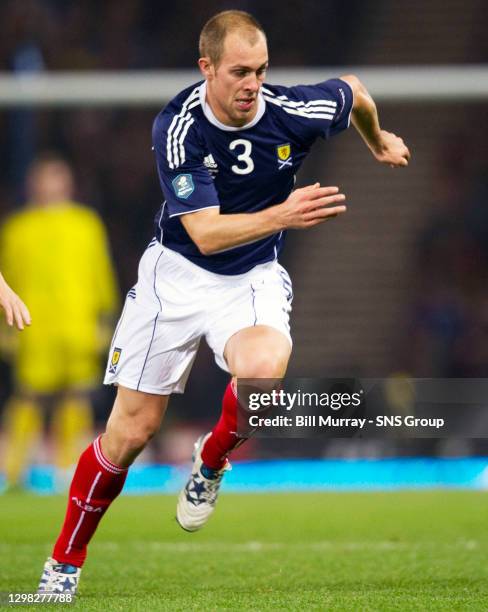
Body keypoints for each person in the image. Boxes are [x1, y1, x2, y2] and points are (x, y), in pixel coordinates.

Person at [38, 10, 410, 594]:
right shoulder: (179, 127)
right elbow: (206, 233)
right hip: (176, 276)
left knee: (262, 379)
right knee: (130, 435)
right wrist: (284, 215)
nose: (252, 84)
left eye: (261, 70)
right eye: (239, 71)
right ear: (206, 67)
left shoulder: (291, 110)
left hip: (252, 276)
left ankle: (210, 462)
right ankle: (63, 562)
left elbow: (355, 91)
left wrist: (377, 139)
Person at [1, 154, 119, 491]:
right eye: (44, 179)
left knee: (76, 396)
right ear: (32, 184)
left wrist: (105, 318)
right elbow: (7, 278)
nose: (50, 185)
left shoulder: (86, 224)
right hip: (33, 325)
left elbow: (101, 274)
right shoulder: (17, 228)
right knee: (28, 396)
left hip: (77, 323)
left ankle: (67, 468)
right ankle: (13, 472)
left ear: (68, 183)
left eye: (56, 178)